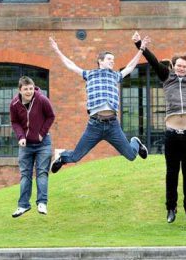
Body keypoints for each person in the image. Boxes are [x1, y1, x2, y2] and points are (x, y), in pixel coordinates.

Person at [132, 28, 186, 224]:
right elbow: (153, 61)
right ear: (173, 66)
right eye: (178, 65)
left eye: (184, 66)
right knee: (171, 174)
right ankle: (171, 209)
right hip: (172, 134)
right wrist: (139, 45)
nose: (181, 68)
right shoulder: (167, 77)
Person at [49, 36, 149, 174]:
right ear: (100, 61)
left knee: (131, 156)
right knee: (75, 157)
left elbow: (131, 66)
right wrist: (57, 50)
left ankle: (136, 142)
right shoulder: (89, 74)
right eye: (109, 59)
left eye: (113, 60)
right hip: (94, 126)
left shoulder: (116, 76)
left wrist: (141, 49)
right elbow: (71, 65)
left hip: (113, 125)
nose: (112, 62)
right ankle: (61, 158)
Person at [10, 76, 55, 218]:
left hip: (43, 144)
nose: (29, 92)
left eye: (30, 88)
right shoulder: (14, 104)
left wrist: (42, 133)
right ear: (20, 90)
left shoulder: (42, 100)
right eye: (25, 89)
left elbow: (51, 116)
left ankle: (42, 203)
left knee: (42, 173)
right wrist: (21, 137)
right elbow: (15, 122)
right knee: (25, 175)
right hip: (26, 145)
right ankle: (23, 205)